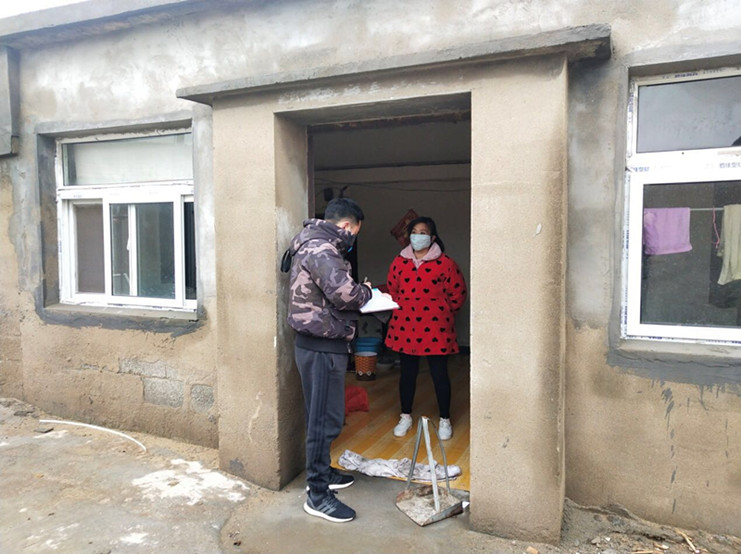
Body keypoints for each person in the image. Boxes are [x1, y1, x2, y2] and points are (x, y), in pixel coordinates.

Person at [286, 197, 372, 523]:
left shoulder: (317, 244)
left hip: (323, 344)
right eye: (355, 234)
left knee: (326, 416)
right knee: (322, 421)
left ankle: (324, 472)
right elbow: (346, 294)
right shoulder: (321, 249)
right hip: (320, 346)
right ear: (347, 226)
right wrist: (367, 292)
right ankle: (318, 494)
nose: (353, 240)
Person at [384, 216, 467, 441]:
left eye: (423, 233)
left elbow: (458, 294)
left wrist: (441, 312)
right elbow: (392, 290)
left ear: (432, 237)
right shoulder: (399, 262)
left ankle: (445, 419)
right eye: (414, 232)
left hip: (436, 329)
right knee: (407, 374)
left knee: (440, 375)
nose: (418, 236)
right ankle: (405, 416)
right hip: (405, 327)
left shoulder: (446, 264)